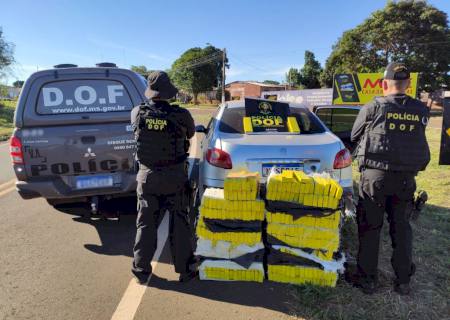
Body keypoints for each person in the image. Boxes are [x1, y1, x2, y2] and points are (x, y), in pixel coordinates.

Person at [350, 62, 430, 295]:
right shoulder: (421, 109)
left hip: (375, 177)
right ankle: (403, 281)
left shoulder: (374, 106)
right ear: (409, 84)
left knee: (370, 226)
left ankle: (367, 280)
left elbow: (355, 135)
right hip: (405, 178)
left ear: (384, 84)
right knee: (402, 227)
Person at [131, 71, 197, 284]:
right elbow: (191, 134)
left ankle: (141, 270)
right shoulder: (181, 114)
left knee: (145, 224)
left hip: (147, 177)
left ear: (150, 92)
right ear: (168, 92)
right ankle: (185, 271)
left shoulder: (137, 112)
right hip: (174, 177)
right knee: (179, 224)